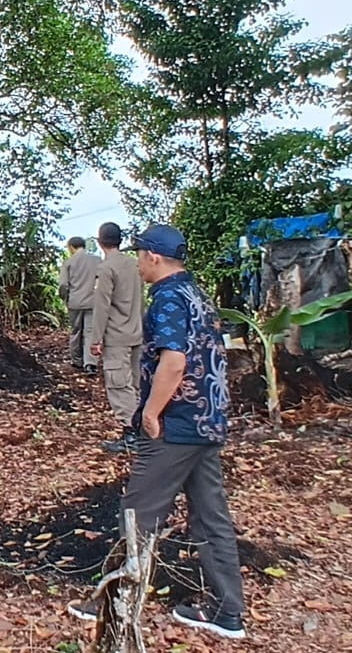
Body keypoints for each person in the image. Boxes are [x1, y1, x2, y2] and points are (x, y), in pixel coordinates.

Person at [68, 224, 247, 640]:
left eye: (140, 256)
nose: (137, 263)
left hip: (176, 423)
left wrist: (150, 412)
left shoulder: (167, 298)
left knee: (138, 512)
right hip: (208, 421)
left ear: (152, 257)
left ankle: (112, 602)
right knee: (210, 516)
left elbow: (174, 362)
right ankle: (227, 611)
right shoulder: (196, 294)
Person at [88, 222, 145, 453]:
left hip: (117, 336)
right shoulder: (135, 265)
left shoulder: (106, 268)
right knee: (135, 383)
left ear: (100, 242)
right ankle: (144, 427)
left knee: (119, 385)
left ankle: (132, 434)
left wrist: (95, 339)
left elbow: (101, 307)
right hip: (136, 332)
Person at [56, 236, 100, 373]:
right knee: (90, 332)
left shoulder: (68, 262)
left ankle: (77, 360)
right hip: (93, 302)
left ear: (71, 247)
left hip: (74, 302)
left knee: (76, 331)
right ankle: (90, 363)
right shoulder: (97, 260)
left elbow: (63, 285)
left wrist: (65, 298)